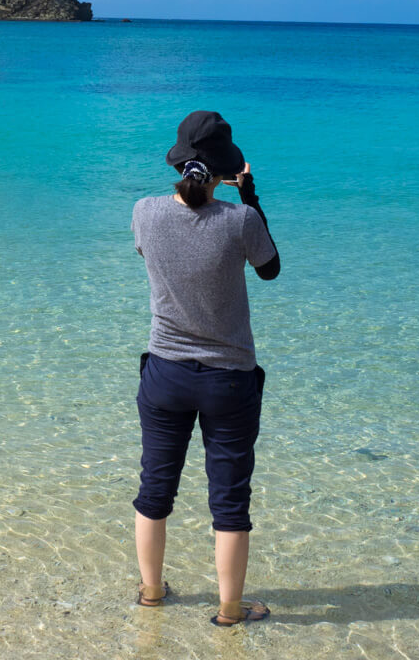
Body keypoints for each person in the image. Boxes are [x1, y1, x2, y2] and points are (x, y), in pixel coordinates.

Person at [130, 110, 280, 627]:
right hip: (228, 380)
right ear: (226, 167)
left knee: (155, 488)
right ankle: (230, 612)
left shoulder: (144, 212)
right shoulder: (241, 221)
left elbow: (155, 250)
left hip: (165, 375)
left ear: (179, 159)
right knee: (230, 500)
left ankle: (152, 594)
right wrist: (249, 196)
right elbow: (270, 270)